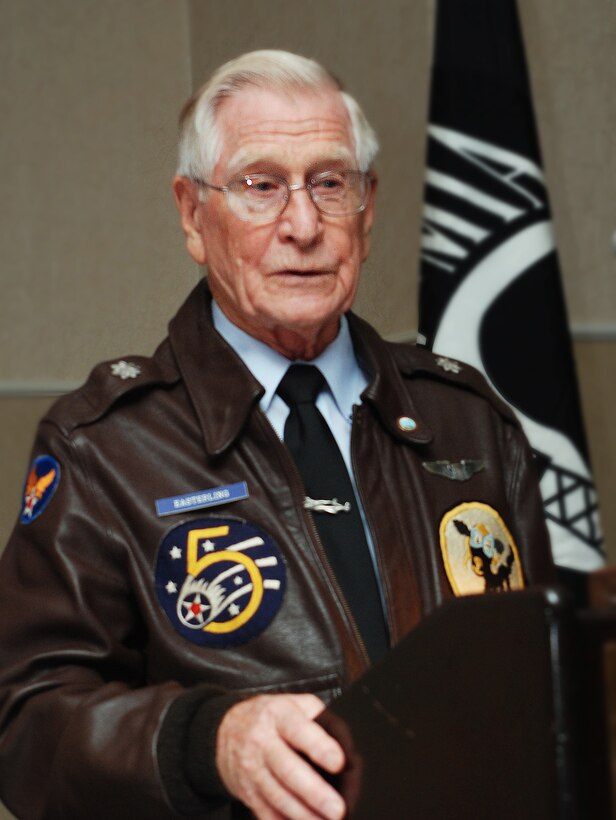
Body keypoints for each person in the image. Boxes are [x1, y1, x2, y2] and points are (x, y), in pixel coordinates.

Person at [0, 50, 554, 819]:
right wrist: (205, 741)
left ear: (367, 210)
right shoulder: (106, 449)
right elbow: (26, 724)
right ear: (194, 214)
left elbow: (551, 688)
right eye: (261, 187)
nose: (303, 225)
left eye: (331, 183)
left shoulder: (468, 421)